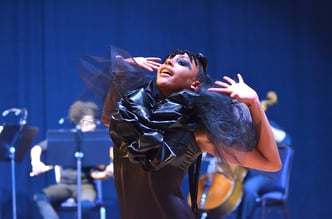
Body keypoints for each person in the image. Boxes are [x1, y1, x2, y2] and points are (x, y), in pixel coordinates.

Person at [78, 46, 282, 219]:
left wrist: (254, 103)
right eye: (167, 60)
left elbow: (270, 163)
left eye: (181, 63)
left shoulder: (196, 131)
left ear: (195, 84)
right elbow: (108, 119)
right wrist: (123, 72)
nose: (168, 63)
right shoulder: (133, 113)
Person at [30, 100, 113, 219]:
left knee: (86, 205)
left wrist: (111, 166)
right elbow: (37, 148)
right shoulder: (66, 138)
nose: (93, 126)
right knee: (40, 198)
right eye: (88, 123)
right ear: (79, 123)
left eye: (93, 122)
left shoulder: (96, 141)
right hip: (64, 185)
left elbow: (112, 156)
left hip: (86, 186)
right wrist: (36, 163)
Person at [236, 121, 292, 219]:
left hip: (267, 176)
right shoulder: (242, 126)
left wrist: (263, 124)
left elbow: (287, 141)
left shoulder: (265, 123)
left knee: (249, 188)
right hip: (247, 174)